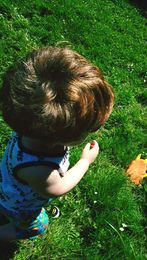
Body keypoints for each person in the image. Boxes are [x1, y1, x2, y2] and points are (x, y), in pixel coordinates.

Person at [0, 46, 114, 241]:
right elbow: (58, 188)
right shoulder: (40, 169)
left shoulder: (28, 124)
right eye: (86, 130)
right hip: (19, 204)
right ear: (58, 138)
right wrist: (85, 161)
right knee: (37, 226)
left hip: (8, 183)